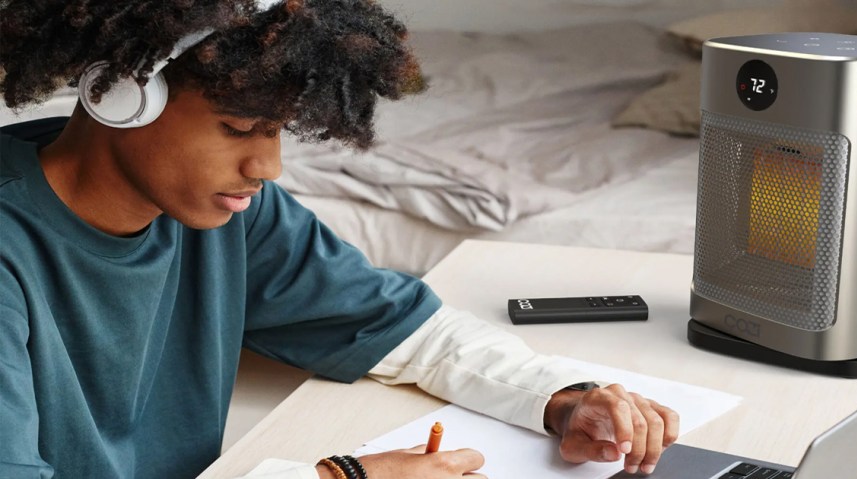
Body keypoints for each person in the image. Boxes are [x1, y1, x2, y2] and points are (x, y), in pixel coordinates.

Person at [0, 1, 680, 478]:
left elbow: (408, 329)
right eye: (239, 129)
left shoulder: (230, 213)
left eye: (278, 132)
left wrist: (562, 397)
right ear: (119, 93)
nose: (267, 168)